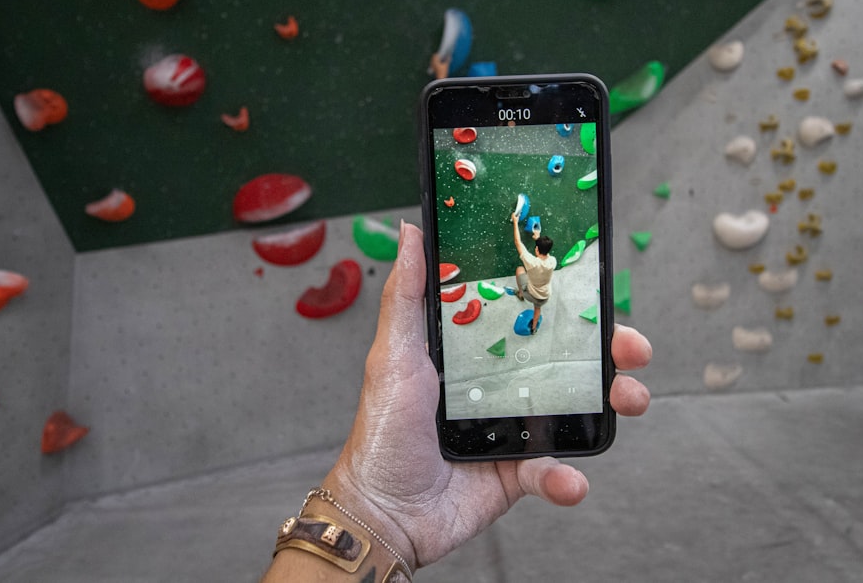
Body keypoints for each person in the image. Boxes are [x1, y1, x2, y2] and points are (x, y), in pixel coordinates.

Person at [261, 222, 652, 582]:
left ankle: (524, 305)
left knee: (520, 281)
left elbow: (520, 247)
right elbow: (537, 252)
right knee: (537, 304)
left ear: (539, 246)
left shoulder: (533, 257)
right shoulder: (548, 260)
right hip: (544, 294)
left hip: (530, 286)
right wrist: (374, 510)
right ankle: (534, 319)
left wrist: (370, 509)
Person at [510, 212, 555, 335]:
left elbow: (517, 242)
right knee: (537, 309)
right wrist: (538, 238)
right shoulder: (552, 261)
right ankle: (534, 329)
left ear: (536, 250)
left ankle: (521, 294)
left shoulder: (532, 262)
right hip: (544, 297)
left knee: (519, 269)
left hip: (531, 294)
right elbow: (546, 255)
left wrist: (515, 222)